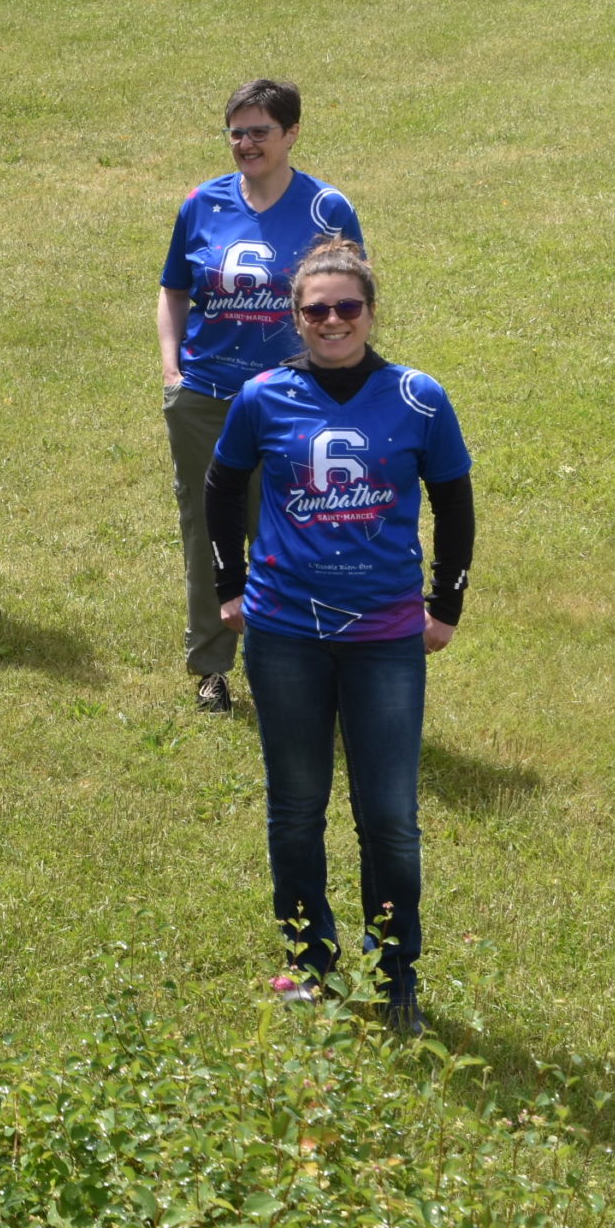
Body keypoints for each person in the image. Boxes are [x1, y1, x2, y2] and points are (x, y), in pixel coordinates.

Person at [208, 236, 470, 1037]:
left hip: (385, 635)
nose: (332, 321)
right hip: (285, 630)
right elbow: (221, 486)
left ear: (371, 312)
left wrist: (445, 606)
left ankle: (395, 975)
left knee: (389, 815)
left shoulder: (419, 397)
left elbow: (455, 503)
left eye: (346, 307)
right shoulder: (262, 396)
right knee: (296, 807)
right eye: (316, 309)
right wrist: (229, 587)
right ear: (295, 316)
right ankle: (310, 963)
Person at [160, 78, 364, 713]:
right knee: (208, 533)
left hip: (293, 401)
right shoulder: (202, 203)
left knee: (298, 530)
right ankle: (211, 667)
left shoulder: (327, 209)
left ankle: (303, 665)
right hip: (206, 400)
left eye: (260, 132)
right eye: (237, 132)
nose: (246, 143)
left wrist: (338, 384)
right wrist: (172, 375)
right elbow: (174, 289)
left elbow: (347, 306)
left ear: (292, 133)